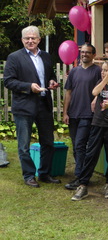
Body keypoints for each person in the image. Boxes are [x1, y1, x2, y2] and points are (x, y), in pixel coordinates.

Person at [4, 26, 61, 187]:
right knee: (24, 145)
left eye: (33, 38)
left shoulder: (47, 56)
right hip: (24, 106)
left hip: (44, 104)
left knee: (48, 142)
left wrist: (52, 82)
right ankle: (29, 175)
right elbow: (8, 81)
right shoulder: (14, 57)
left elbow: (50, 75)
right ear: (22, 40)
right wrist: (29, 86)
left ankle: (44, 173)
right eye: (27, 38)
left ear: (39, 40)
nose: (30, 41)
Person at [71, 60, 108, 201]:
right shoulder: (100, 84)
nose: (102, 72)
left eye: (106, 70)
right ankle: (83, 184)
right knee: (91, 154)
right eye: (102, 70)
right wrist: (105, 79)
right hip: (97, 124)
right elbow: (94, 92)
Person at [63, 43, 102, 190]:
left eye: (88, 52)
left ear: (93, 55)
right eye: (83, 52)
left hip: (88, 114)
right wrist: (65, 112)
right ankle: (82, 175)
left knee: (80, 145)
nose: (84, 54)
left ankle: (80, 178)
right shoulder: (74, 71)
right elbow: (68, 93)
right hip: (73, 114)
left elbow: (100, 91)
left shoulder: (97, 71)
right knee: (76, 146)